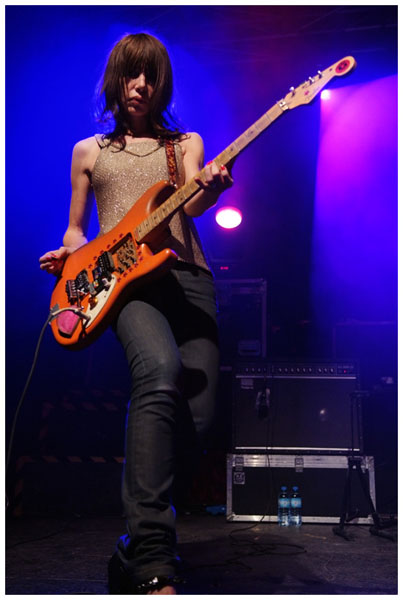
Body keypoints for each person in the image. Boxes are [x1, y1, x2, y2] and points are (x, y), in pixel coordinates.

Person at [39, 33, 233, 595]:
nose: (141, 85)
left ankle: (130, 549)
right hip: (122, 286)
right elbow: (77, 230)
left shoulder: (185, 144)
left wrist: (213, 189)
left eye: (151, 76)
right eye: (131, 73)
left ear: (161, 84)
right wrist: (71, 257)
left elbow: (196, 202)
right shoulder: (89, 152)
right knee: (158, 375)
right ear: (115, 81)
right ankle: (153, 557)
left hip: (188, 278)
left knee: (198, 417)